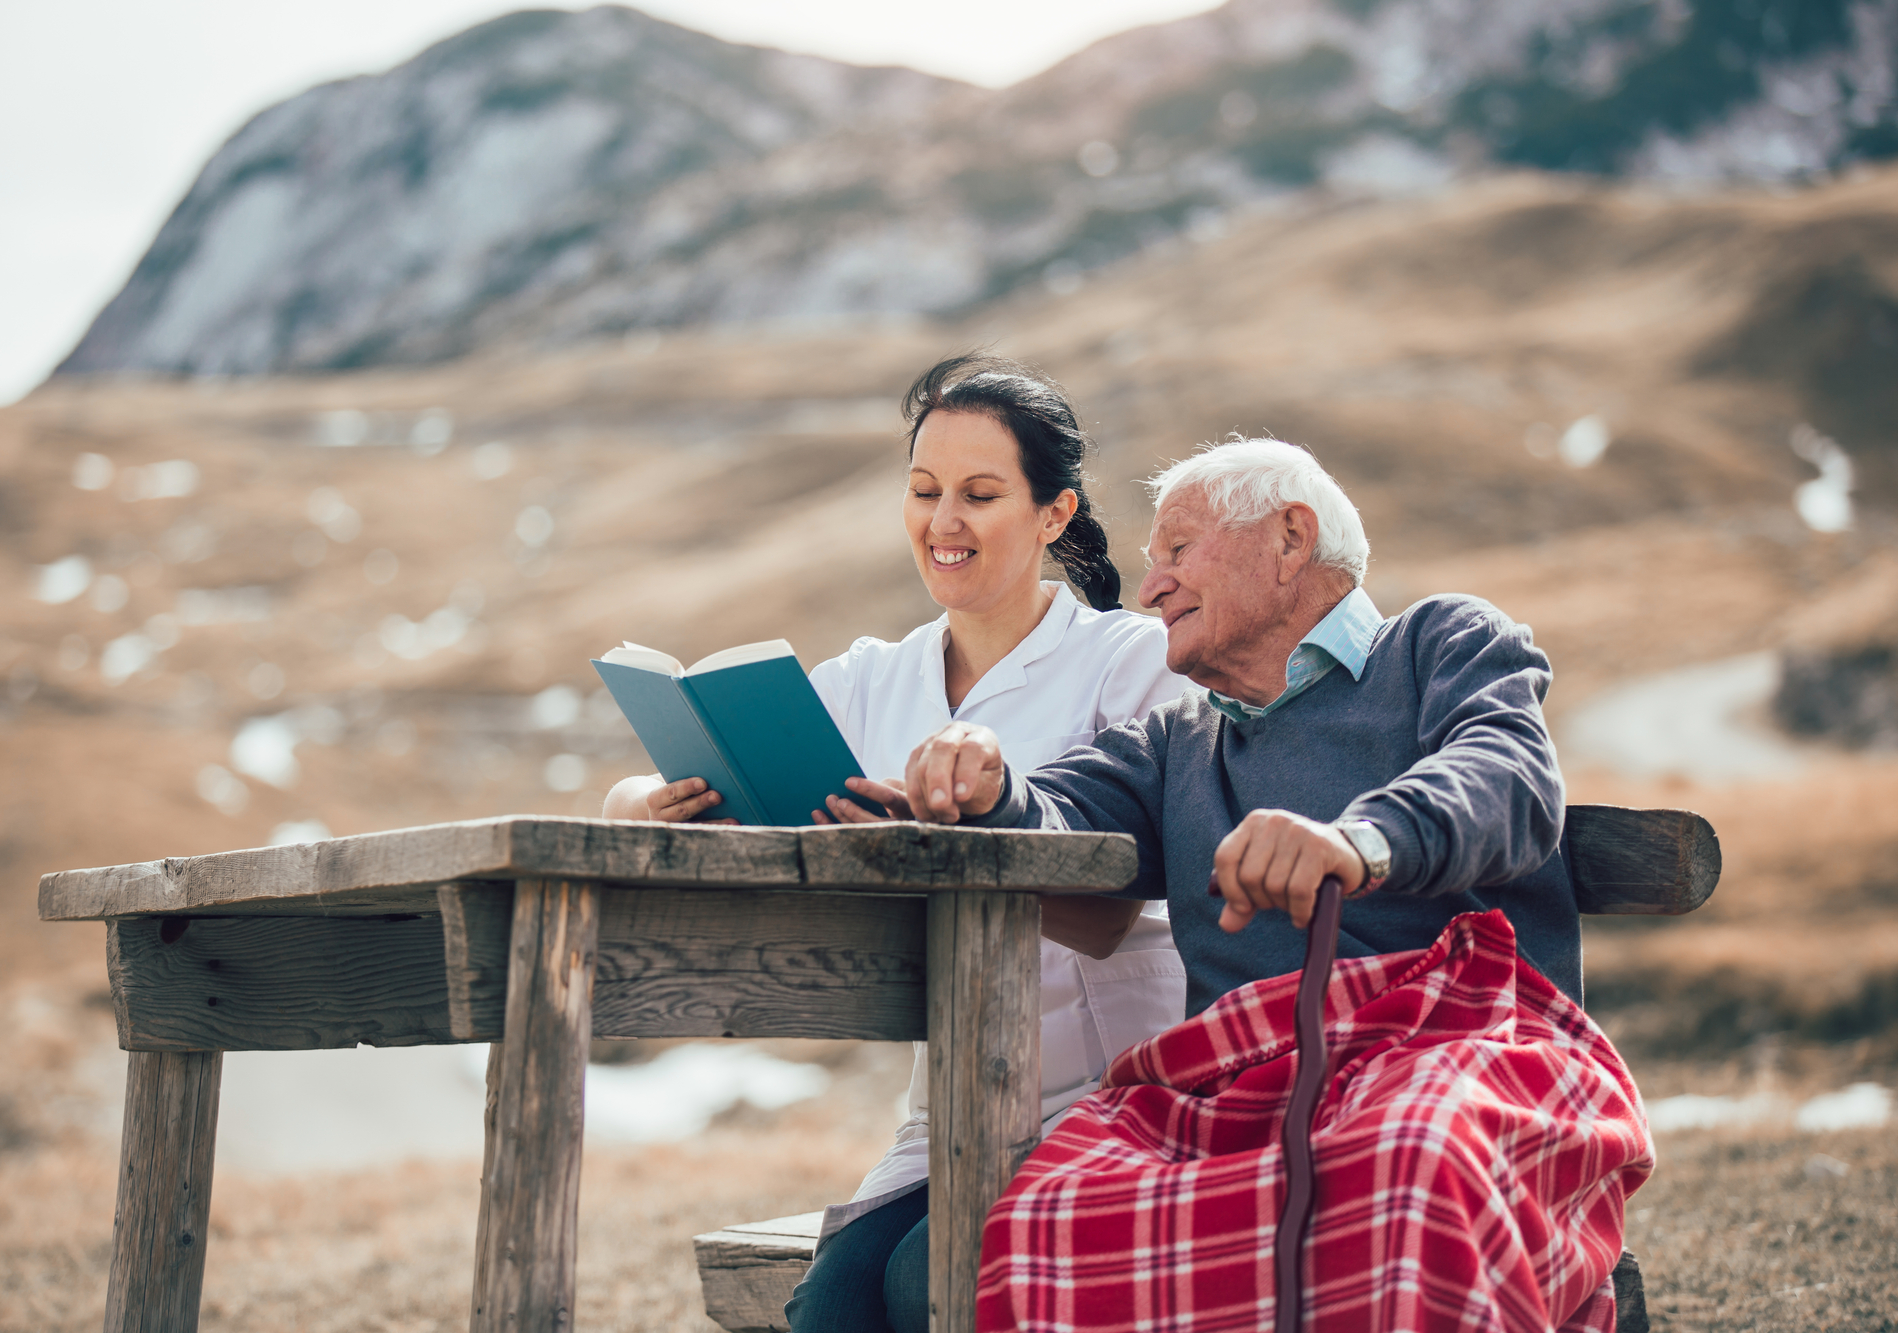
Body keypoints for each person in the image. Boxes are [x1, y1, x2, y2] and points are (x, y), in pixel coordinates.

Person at [899, 439, 1654, 1331]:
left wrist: (1361, 841)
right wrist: (990, 783)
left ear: (1290, 539)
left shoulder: (1440, 641)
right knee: (1048, 1210)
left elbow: (1508, 777)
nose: (1150, 589)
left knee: (1406, 1165)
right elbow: (1054, 810)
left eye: (1176, 550)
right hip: (1240, 1079)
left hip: (1460, 1042)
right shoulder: (1170, 742)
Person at [602, 354, 1191, 1333]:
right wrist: (640, 802)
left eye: (979, 493)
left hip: (1119, 1088)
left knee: (929, 1280)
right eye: (922, 491)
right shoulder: (869, 679)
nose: (941, 521)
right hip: (951, 1105)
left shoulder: (1130, 665)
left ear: (1053, 514)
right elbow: (724, 800)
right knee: (830, 1305)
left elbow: (1120, 906)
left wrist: (950, 848)